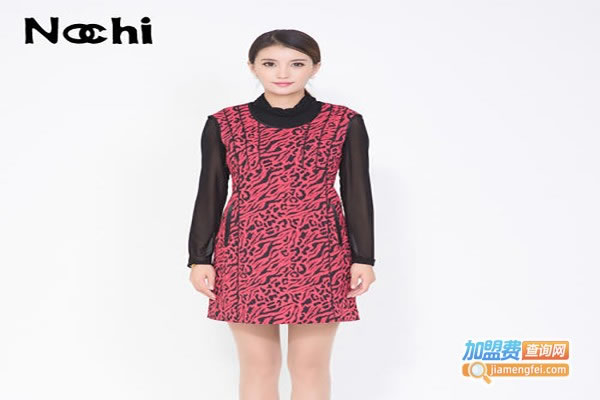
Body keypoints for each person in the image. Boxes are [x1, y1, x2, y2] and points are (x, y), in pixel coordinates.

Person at [187, 29, 376, 400]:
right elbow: (210, 193)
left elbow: (358, 193)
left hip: (319, 253)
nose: (283, 73)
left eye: (297, 63)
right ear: (252, 67)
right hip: (246, 255)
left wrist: (363, 258)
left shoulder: (343, 122)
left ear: (315, 67)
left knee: (310, 367)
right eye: (270, 63)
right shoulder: (225, 123)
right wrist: (199, 258)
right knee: (258, 367)